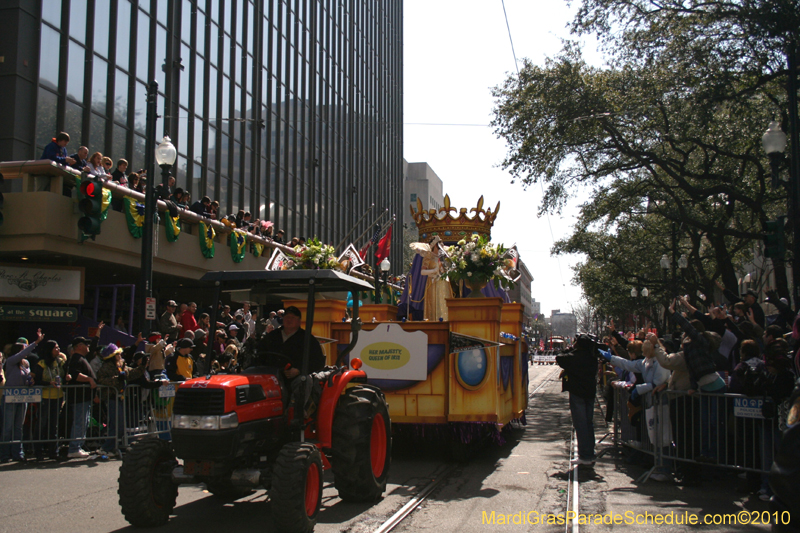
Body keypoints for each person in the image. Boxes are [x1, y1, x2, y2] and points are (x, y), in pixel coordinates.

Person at [556, 334, 601, 465]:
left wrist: (570, 349)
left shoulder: (574, 356)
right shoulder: (593, 358)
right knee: (588, 423)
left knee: (580, 424)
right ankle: (590, 452)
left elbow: (560, 358)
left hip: (577, 393)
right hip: (590, 393)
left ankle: (585, 455)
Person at [1, 330, 44, 462]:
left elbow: (26, 377)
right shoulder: (11, 361)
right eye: (23, 349)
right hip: (10, 397)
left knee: (18, 426)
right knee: (8, 427)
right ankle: (4, 454)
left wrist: (29, 381)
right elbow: (22, 354)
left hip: (22, 397)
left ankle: (17, 453)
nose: (26, 352)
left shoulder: (25, 364)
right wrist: (36, 343)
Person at [255, 306, 325, 378]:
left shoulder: (308, 339)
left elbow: (318, 362)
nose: (289, 320)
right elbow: (260, 354)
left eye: (293, 317)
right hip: (270, 377)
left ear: (299, 321)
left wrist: (299, 370)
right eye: (287, 317)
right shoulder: (272, 336)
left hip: (295, 380)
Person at [32, 339, 68, 461]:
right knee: (42, 424)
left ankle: (53, 451)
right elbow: (36, 380)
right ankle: (38, 451)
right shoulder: (41, 363)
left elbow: (64, 375)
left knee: (54, 425)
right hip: (44, 397)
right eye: (55, 348)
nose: (58, 349)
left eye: (58, 347)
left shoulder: (60, 362)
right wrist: (48, 383)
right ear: (49, 350)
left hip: (57, 397)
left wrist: (67, 377)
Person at [66, 335, 99, 458]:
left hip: (84, 398)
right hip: (79, 398)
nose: (88, 346)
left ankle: (77, 446)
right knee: (80, 422)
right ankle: (74, 447)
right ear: (79, 346)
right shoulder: (76, 358)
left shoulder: (82, 358)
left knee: (83, 422)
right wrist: (89, 379)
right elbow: (74, 374)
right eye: (86, 344)